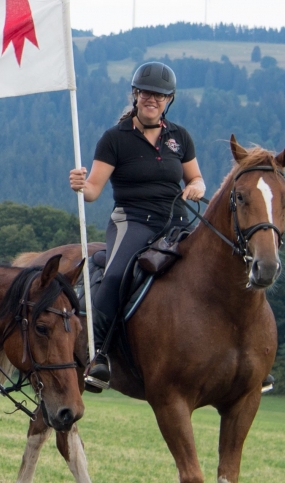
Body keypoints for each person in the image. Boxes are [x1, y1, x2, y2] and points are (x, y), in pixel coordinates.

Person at [69, 60, 204, 391]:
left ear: (169, 100)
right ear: (135, 94)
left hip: (176, 222)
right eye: (146, 92)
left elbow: (195, 176)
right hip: (132, 221)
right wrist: (80, 184)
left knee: (221, 263)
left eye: (159, 95)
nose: (152, 99)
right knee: (115, 275)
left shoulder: (179, 137)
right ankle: (97, 354)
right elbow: (93, 192)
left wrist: (197, 186)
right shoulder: (115, 139)